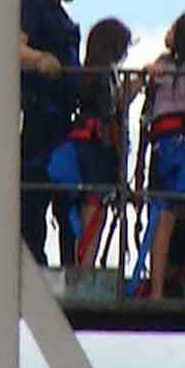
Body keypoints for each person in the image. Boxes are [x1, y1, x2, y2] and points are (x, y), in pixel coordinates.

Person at [20, 0, 96, 266]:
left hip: (63, 120)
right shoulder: (33, 4)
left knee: (67, 197)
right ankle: (33, 262)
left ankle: (71, 262)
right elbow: (14, 46)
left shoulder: (62, 19)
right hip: (39, 115)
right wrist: (38, 59)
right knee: (35, 194)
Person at [133, 12, 185, 300]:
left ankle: (156, 290)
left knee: (164, 218)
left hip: (169, 148)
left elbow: (136, 93)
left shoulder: (166, 67)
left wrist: (148, 72)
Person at [47, 18, 133, 267]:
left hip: (80, 141)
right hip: (99, 145)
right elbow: (109, 111)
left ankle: (75, 261)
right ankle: (86, 266)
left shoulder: (85, 74)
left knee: (79, 205)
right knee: (96, 204)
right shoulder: (106, 75)